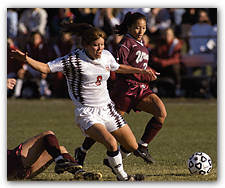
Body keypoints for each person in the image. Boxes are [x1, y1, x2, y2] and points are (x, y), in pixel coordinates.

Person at [10, 23, 156, 181]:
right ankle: (124, 178)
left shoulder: (106, 55)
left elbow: (117, 67)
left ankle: (110, 161)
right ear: (86, 45)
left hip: (108, 110)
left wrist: (141, 71)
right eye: (95, 45)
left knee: (132, 146)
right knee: (111, 143)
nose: (100, 49)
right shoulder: (73, 60)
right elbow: (46, 68)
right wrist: (26, 60)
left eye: (102, 45)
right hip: (87, 113)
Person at [74, 12, 167, 167]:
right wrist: (142, 74)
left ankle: (143, 146)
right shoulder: (125, 44)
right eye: (137, 27)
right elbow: (119, 68)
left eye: (143, 27)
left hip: (141, 90)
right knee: (105, 125)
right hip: (125, 91)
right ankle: (82, 150)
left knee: (161, 112)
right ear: (129, 27)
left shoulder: (142, 43)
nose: (141, 31)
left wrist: (149, 71)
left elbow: (139, 66)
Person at [150, 27, 183, 97]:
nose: (167, 36)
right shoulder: (160, 43)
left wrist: (164, 62)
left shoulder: (176, 43)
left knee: (176, 67)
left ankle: (178, 86)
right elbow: (154, 56)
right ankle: (153, 86)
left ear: (173, 35)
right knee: (150, 66)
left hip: (170, 66)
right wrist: (159, 62)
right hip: (160, 65)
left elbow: (176, 59)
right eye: (166, 34)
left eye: (169, 34)